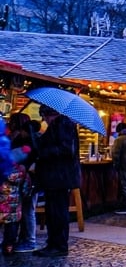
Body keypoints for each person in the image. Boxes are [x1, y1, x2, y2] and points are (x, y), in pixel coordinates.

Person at [33, 106, 80, 257]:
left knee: (57, 211)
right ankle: (54, 243)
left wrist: (44, 152)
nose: (43, 120)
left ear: (50, 114)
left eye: (44, 116)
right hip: (55, 176)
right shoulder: (59, 124)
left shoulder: (63, 124)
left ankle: (58, 245)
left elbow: (66, 149)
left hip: (59, 176)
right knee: (53, 211)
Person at [1, 116, 33, 255]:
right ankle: (9, 245)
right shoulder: (18, 167)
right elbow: (24, 182)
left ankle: (11, 243)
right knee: (12, 223)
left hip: (6, 197)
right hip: (13, 200)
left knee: (11, 222)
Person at [9, 113, 39, 253]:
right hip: (20, 179)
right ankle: (23, 239)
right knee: (23, 209)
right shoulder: (19, 139)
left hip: (28, 180)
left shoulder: (30, 142)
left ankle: (29, 240)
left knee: (27, 209)